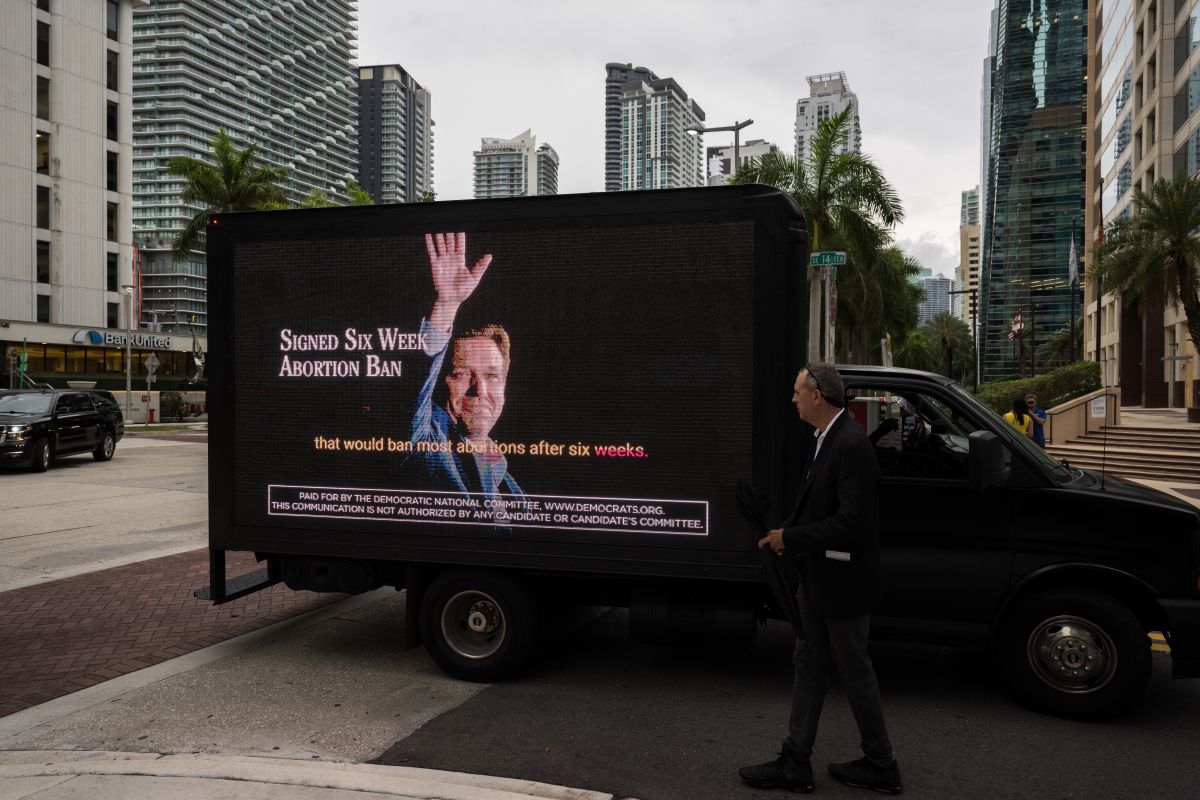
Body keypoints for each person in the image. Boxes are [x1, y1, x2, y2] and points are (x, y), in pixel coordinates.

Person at [740, 363, 902, 795]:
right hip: (818, 576)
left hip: (843, 581)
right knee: (809, 662)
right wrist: (781, 532)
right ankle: (795, 761)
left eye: (797, 392)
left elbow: (852, 521)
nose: (792, 399)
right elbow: (816, 506)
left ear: (818, 396)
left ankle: (882, 764)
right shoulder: (823, 439)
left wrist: (790, 537)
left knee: (855, 671)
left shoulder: (849, 444)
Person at [409, 232, 524, 507]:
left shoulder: (511, 489)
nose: (480, 391)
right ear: (440, 379)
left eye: (492, 376)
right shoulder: (427, 440)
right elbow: (414, 390)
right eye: (462, 374)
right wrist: (447, 305)